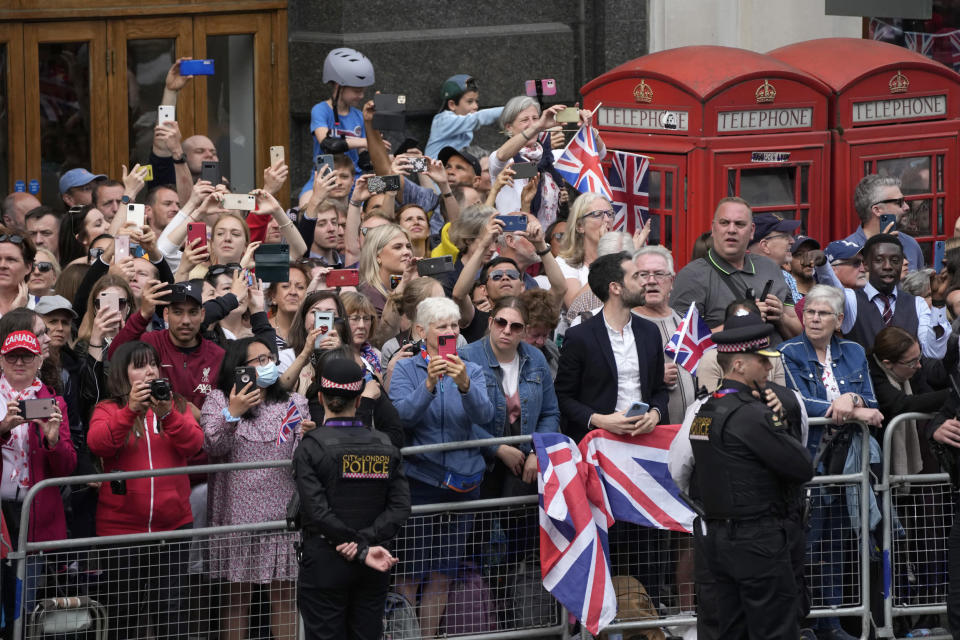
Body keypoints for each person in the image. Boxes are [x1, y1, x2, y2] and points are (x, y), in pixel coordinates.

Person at [675, 314, 813, 640]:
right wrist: (781, 421)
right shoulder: (752, 414)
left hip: (716, 539)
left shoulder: (705, 410)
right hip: (758, 540)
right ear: (738, 364)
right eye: (761, 361)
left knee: (727, 629)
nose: (769, 368)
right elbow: (801, 467)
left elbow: (688, 472)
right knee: (775, 629)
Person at [778, 284, 883, 640]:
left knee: (838, 543)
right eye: (809, 312)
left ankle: (832, 623)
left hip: (848, 462)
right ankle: (801, 623)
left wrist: (850, 398)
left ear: (839, 320)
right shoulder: (787, 351)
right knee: (807, 544)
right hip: (808, 460)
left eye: (823, 313)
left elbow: (870, 398)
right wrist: (843, 408)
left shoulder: (853, 350)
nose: (814, 318)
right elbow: (797, 402)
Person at [389, 297, 493, 637]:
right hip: (421, 482)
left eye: (454, 325)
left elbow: (486, 416)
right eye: (442, 326)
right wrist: (429, 385)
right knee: (410, 573)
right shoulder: (406, 368)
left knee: (443, 573)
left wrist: (464, 384)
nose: (451, 332)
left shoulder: (471, 367)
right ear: (421, 331)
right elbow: (401, 418)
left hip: (462, 484)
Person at [87, 340, 202, 640]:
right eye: (140, 365)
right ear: (123, 374)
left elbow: (194, 444)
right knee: (125, 612)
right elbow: (98, 443)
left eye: (153, 363)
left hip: (173, 529)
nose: (150, 370)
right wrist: (130, 411)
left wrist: (167, 415)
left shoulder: (175, 405)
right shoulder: (107, 408)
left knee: (171, 610)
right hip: (121, 532)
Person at [293, 357, 410, 640]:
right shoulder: (385, 445)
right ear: (359, 400)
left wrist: (359, 547)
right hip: (373, 560)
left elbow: (318, 512)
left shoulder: (311, 447)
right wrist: (366, 544)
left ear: (320, 397)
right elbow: (400, 507)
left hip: (328, 562)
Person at [201, 337, 307, 640]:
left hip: (281, 517)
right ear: (238, 368)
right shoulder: (218, 400)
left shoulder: (293, 402)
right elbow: (213, 445)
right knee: (237, 601)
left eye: (269, 358)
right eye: (258, 360)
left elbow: (299, 458)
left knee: (284, 598)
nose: (267, 365)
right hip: (237, 518)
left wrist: (306, 438)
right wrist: (232, 413)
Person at [555, 250, 669, 444]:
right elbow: (563, 397)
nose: (645, 282)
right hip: (598, 444)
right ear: (615, 288)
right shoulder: (580, 336)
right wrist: (601, 421)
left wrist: (655, 414)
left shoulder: (650, 332)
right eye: (636, 277)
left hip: (645, 440)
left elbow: (659, 389)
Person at [670, 197, 801, 344]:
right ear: (714, 229)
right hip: (729, 365)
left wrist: (781, 317)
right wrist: (743, 321)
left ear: (751, 231)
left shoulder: (770, 267)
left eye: (739, 224)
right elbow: (682, 343)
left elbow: (799, 337)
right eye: (724, 223)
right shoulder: (691, 276)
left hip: (776, 363)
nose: (731, 230)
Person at [815, 234, 950, 359]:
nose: (887, 266)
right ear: (866, 265)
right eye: (879, 260)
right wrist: (822, 265)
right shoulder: (852, 300)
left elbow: (934, 352)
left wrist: (938, 302)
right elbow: (833, 289)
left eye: (895, 260)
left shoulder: (917, 304)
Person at [109, 279, 225, 409]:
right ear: (166, 314)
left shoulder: (218, 355)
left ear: (202, 315)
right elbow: (114, 357)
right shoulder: (151, 342)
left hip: (199, 429)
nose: (186, 320)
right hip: (153, 427)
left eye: (193, 312)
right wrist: (143, 315)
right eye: (177, 312)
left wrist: (201, 418)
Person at [631, 246, 697, 425]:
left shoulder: (688, 322)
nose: (651, 281)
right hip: (647, 435)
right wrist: (653, 376)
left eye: (659, 274)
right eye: (643, 274)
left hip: (691, 433)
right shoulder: (625, 325)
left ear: (672, 281)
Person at [311, 48, 375, 175]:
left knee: (392, 184)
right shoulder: (320, 110)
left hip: (354, 179)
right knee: (306, 196)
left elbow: (364, 159)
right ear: (337, 85)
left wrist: (383, 154)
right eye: (357, 91)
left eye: (363, 91)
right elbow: (328, 144)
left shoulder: (360, 116)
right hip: (325, 177)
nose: (362, 96)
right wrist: (365, 141)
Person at [845, 174, 924, 272]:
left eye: (904, 201)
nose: (907, 207)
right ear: (877, 210)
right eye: (899, 202)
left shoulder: (911, 244)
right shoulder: (847, 251)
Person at [555, 192, 614, 309]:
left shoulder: (620, 258)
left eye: (610, 214)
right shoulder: (563, 263)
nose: (607, 219)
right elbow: (575, 309)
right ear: (580, 226)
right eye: (598, 214)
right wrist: (605, 259)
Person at [425, 74, 503, 158]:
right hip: (432, 169)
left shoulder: (465, 125)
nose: (475, 106)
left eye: (476, 101)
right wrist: (510, 109)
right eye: (470, 102)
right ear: (452, 105)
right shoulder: (443, 120)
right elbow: (478, 118)